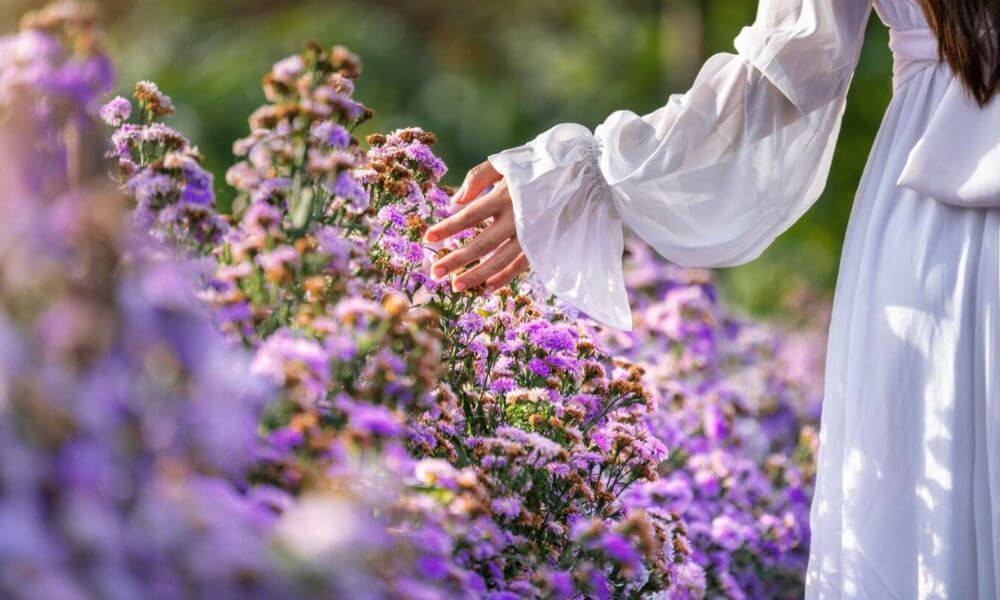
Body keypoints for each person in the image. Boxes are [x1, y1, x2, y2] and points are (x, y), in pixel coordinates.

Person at [423, 0, 1000, 596]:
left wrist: (577, 179)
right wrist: (577, 180)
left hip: (938, 228)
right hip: (944, 235)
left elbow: (781, 75)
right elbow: (780, 75)